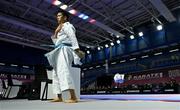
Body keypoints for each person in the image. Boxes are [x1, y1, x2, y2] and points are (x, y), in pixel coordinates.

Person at [45, 10, 84, 103]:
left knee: (63, 70)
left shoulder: (67, 26)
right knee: (55, 73)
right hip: (58, 49)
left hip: (65, 49)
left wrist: (77, 50)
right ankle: (59, 96)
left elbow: (72, 36)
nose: (57, 17)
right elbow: (56, 43)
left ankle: (73, 96)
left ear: (65, 17)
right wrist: (56, 32)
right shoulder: (59, 28)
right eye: (57, 16)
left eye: (59, 15)